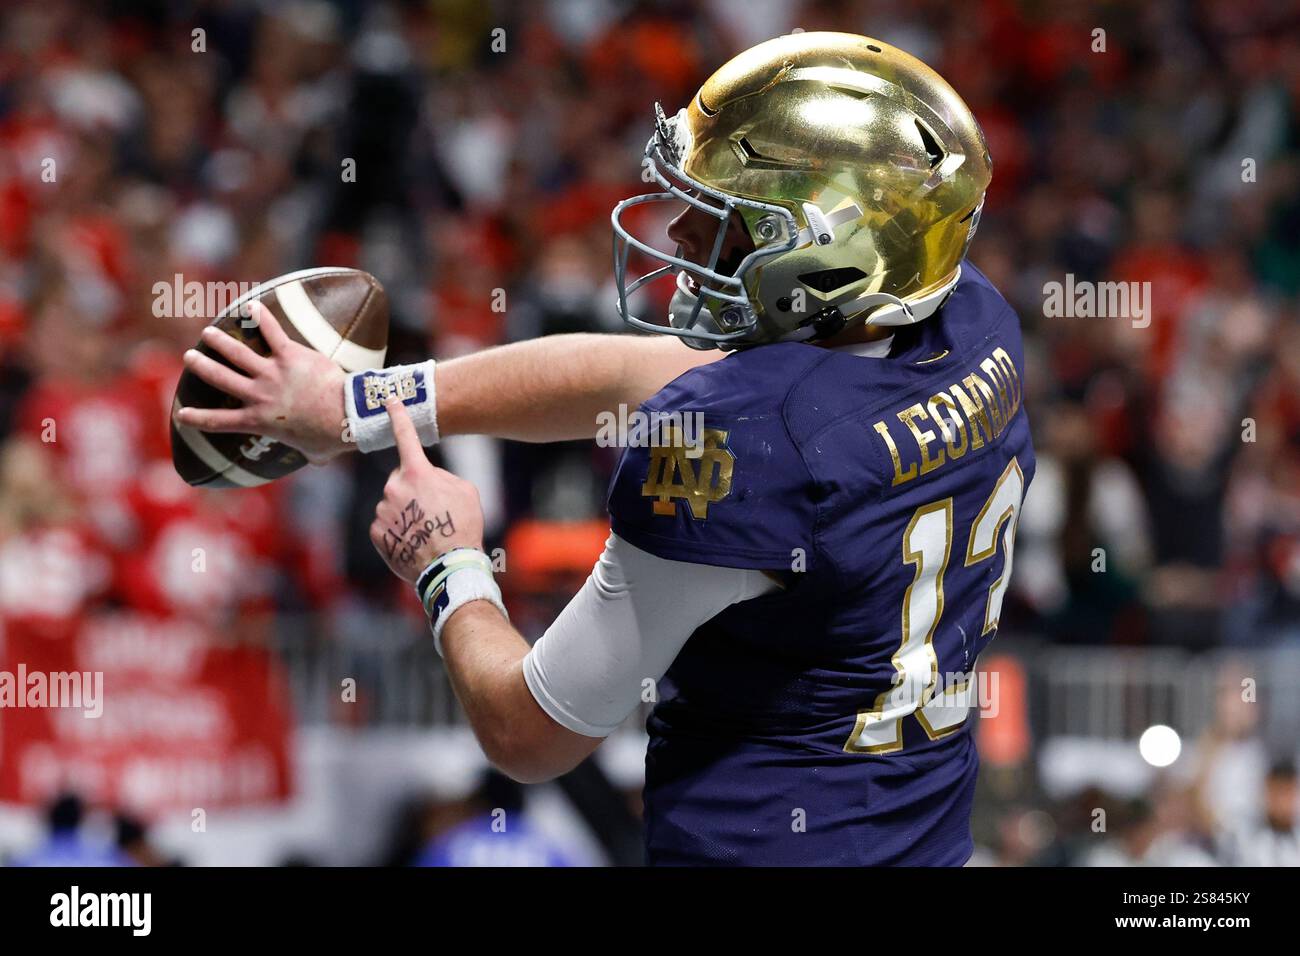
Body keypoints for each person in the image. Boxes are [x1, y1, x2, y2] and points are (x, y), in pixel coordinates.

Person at [175, 32, 1033, 865]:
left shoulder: (745, 448)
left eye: (732, 221)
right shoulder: (970, 323)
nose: (682, 240)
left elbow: (529, 732)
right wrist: (362, 406)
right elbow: (633, 371)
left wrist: (448, 564)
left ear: (834, 251)